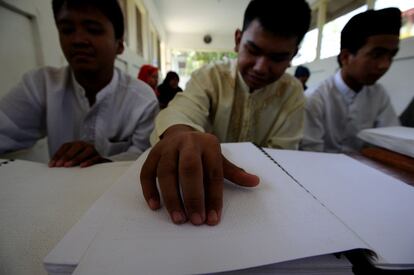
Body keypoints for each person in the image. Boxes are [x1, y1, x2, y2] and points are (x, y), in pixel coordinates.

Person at [140, 0, 311, 226]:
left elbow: (283, 155)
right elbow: (182, 112)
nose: (260, 67)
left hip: (265, 205)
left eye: (277, 58)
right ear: (238, 40)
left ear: (292, 56)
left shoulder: (293, 93)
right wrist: (178, 134)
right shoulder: (209, 77)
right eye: (253, 50)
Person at [0, 0, 159, 167]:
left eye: (93, 30)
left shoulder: (143, 101)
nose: (78, 40)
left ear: (119, 46)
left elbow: (144, 158)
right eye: (67, 30)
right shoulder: (40, 85)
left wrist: (104, 162)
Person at [300, 8, 401, 153]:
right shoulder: (315, 98)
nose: (385, 65)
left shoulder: (379, 94)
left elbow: (391, 141)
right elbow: (311, 153)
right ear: (346, 57)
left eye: (391, 56)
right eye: (376, 55)